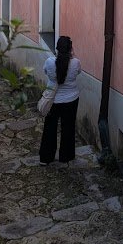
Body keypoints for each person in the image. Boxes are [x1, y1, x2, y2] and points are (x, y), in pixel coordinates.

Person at [39, 35, 81, 166]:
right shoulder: (76, 63)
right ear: (70, 49)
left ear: (57, 48)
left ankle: (46, 157)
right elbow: (78, 72)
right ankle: (66, 156)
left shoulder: (50, 62)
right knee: (68, 127)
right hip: (71, 99)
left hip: (53, 101)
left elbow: (45, 72)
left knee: (49, 128)